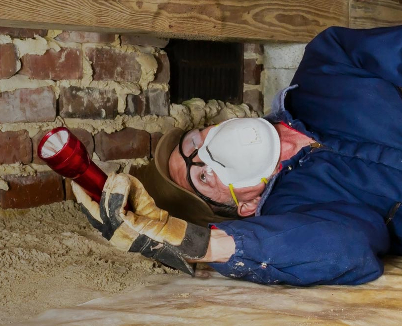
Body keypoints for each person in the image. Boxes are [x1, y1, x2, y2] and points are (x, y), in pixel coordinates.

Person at [73, 25, 402, 286]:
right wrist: (203, 245)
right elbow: (346, 249)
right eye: (202, 175)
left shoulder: (327, 66)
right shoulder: (296, 215)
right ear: (243, 207)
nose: (207, 153)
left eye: (192, 145)